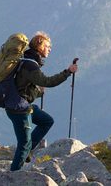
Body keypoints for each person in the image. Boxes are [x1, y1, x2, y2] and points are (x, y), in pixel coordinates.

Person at [7, 31, 78, 171]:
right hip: (19, 109)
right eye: (47, 46)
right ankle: (13, 176)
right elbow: (48, 81)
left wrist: (38, 92)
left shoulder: (27, 61)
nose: (49, 49)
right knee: (24, 143)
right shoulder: (30, 65)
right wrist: (68, 72)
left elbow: (23, 86)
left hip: (21, 105)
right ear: (39, 46)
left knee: (46, 121)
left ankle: (26, 152)